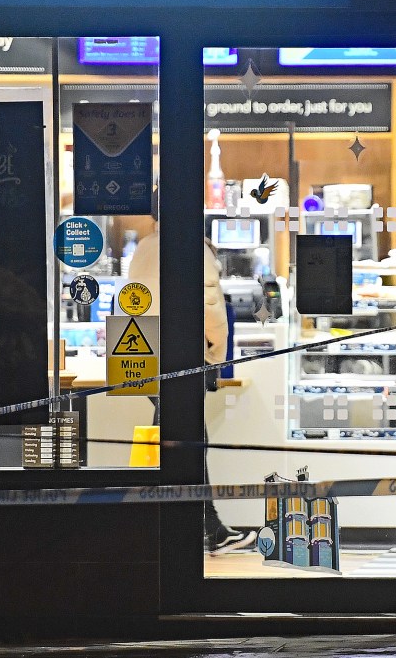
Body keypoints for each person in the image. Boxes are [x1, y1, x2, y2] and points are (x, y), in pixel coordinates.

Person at [128, 215, 256, 555]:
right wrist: (216, 354)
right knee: (186, 437)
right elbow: (211, 307)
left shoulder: (143, 247)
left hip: (146, 351)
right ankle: (204, 530)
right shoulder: (193, 248)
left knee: (174, 435)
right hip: (185, 355)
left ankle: (180, 527)